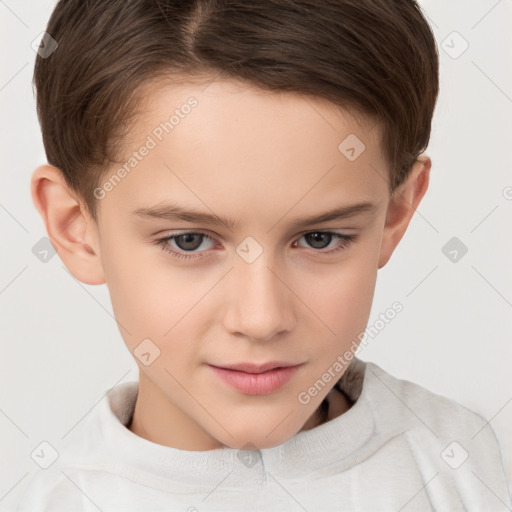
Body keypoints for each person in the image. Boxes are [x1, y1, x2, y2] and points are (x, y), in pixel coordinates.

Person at [18, 0, 510, 510]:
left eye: (320, 238)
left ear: (395, 213)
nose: (260, 319)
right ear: (75, 228)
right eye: (189, 240)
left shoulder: (478, 468)